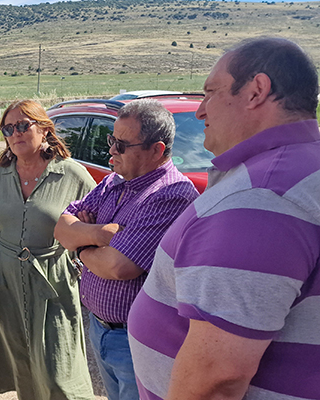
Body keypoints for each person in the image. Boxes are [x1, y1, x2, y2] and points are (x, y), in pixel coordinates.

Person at [128, 37, 320, 400]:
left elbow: (217, 379)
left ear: (256, 91)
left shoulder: (262, 197)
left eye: (211, 93)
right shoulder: (301, 166)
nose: (201, 111)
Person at [53, 99, 199, 400]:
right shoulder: (113, 181)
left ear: (157, 150)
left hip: (136, 339)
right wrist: (100, 234)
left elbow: (119, 267)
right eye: (111, 140)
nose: (111, 151)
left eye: (121, 145)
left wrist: (80, 247)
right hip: (100, 329)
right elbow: (61, 229)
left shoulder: (170, 194)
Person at [0, 99, 97, 400]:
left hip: (53, 280)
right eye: (8, 128)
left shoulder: (72, 174)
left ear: (44, 129)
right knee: (19, 359)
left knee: (59, 371)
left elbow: (97, 221)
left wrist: (80, 258)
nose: (15, 133)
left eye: (22, 125)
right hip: (4, 278)